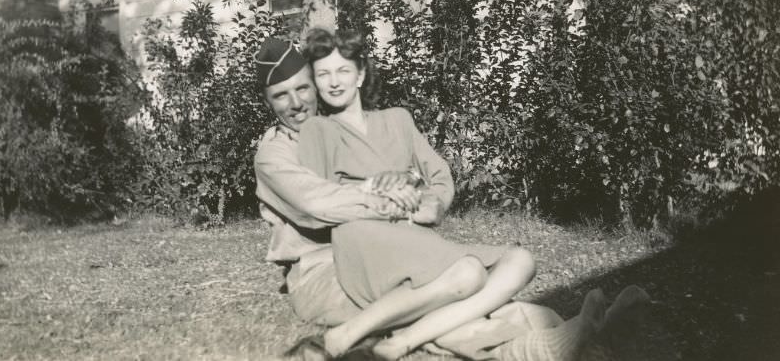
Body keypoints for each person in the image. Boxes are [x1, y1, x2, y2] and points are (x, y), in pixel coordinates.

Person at [253, 35, 649, 361]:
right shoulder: (275, 151)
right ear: (268, 102)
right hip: (324, 270)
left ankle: (572, 337)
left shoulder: (347, 129)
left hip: (386, 245)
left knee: (471, 281)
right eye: (280, 96)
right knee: (443, 298)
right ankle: (558, 340)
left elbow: (426, 174)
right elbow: (318, 204)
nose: (295, 103)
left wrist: (418, 197)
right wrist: (387, 194)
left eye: (303, 88)